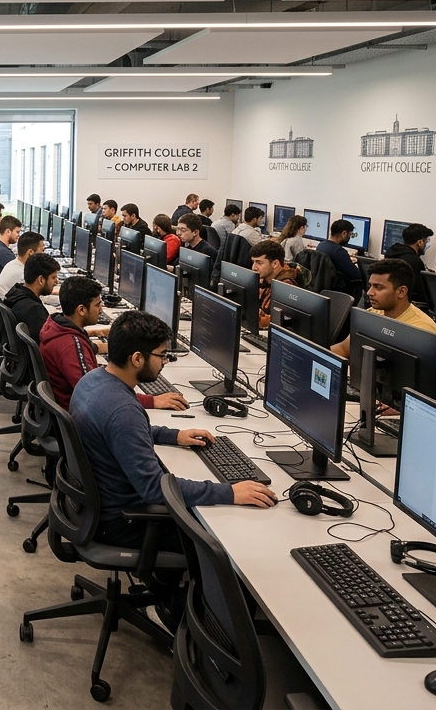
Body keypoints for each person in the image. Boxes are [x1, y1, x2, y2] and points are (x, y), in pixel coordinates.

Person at [69, 311, 274, 617]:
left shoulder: (95, 380)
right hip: (122, 523)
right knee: (228, 542)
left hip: (93, 507)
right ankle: (178, 608)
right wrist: (229, 492)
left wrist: (173, 435)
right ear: (137, 358)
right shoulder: (123, 410)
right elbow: (153, 489)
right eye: (162, 356)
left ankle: (165, 589)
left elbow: (118, 432)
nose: (165, 362)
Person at [41, 276, 187, 412]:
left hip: (75, 411)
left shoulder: (58, 326)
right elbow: (97, 395)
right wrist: (152, 401)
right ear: (81, 310)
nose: (101, 309)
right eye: (97, 305)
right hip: (80, 417)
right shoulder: (70, 345)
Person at [331, 258, 436, 358]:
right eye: (370, 286)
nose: (369, 292)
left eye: (378, 287)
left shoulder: (423, 331)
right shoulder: (372, 314)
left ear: (401, 292)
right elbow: (344, 349)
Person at [3, 253, 59, 338]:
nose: (57, 281)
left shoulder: (16, 292)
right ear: (40, 280)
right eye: (53, 277)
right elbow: (49, 342)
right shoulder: (34, 311)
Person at [248, 240, 299, 329]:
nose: (254, 268)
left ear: (275, 263)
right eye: (253, 262)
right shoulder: (263, 280)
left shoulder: (287, 288)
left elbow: (280, 322)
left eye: (259, 263)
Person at [384, 222, 433, 302]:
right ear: (419, 242)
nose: (426, 245)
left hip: (392, 300)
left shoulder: (392, 253)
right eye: (425, 241)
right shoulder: (414, 261)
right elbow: (421, 293)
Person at [316, 219, 364, 295]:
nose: (349, 238)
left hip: (324, 287)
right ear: (344, 233)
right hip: (339, 290)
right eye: (350, 234)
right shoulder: (338, 251)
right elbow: (356, 275)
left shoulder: (321, 245)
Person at [0, 231, 45, 299]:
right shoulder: (22, 274)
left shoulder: (12, 264)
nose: (43, 254)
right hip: (14, 307)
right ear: (30, 252)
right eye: (42, 250)